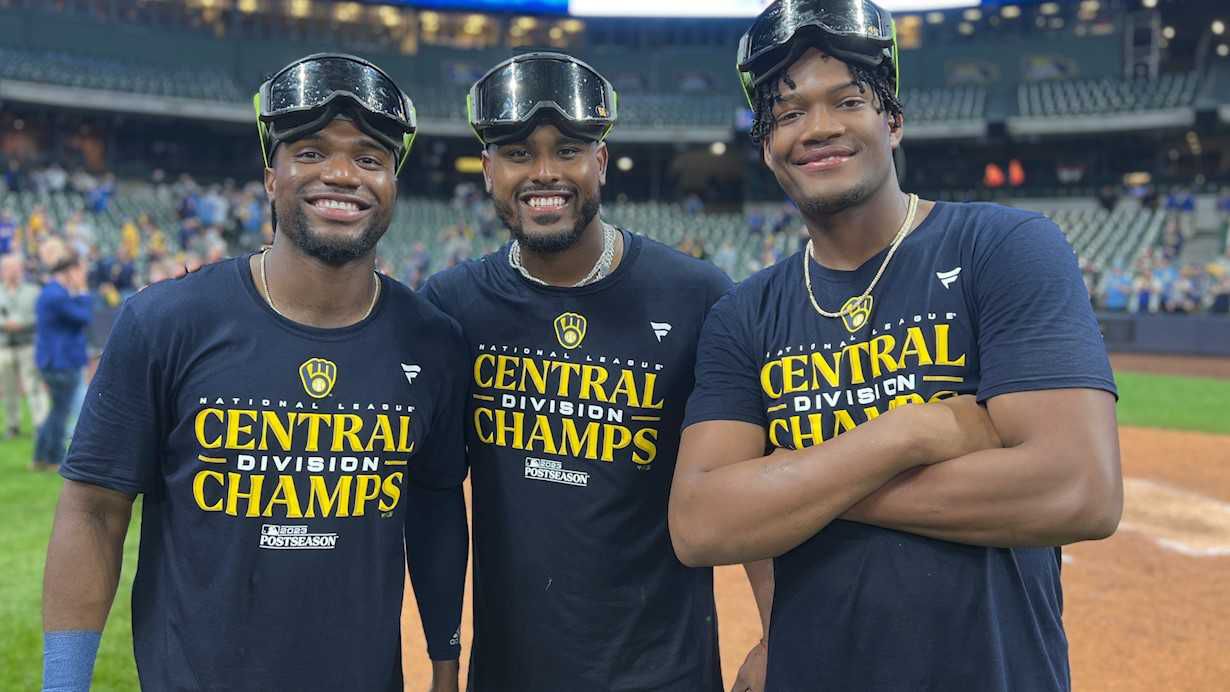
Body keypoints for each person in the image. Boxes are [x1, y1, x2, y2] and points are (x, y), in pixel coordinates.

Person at [669, 2, 1123, 691]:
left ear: (894, 119)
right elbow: (701, 524)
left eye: (847, 100)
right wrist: (909, 433)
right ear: (766, 146)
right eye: (788, 114)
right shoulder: (746, 313)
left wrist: (790, 480)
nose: (817, 128)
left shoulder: (1003, 248)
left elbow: (1078, 489)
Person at [43, 53, 468, 692]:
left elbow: (435, 508)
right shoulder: (165, 322)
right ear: (271, 177)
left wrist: (443, 660)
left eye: (371, 158)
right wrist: (63, 685)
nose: (342, 174)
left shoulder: (432, 340)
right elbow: (93, 512)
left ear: (393, 185)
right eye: (311, 152)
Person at [421, 52, 743, 691]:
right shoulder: (452, 306)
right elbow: (430, 498)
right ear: (488, 170)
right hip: (513, 674)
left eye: (568, 149)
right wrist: (443, 660)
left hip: (665, 673)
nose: (544, 172)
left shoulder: (698, 295)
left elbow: (745, 477)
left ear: (599, 162)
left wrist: (772, 633)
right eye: (517, 152)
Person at [32, 251, 92, 471]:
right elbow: (84, 317)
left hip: (53, 360)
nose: (83, 276)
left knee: (56, 410)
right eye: (81, 271)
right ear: (71, 271)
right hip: (62, 361)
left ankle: (40, 456)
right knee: (61, 412)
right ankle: (55, 458)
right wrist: (83, 292)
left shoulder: (51, 292)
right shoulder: (58, 295)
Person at [0, 253, 47, 437]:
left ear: (21, 269)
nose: (12, 271)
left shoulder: (33, 291)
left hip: (28, 344)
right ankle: (12, 426)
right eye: (8, 268)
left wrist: (22, 322)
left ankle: (41, 424)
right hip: (4, 346)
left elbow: (41, 316)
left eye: (15, 267)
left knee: (33, 386)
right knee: (8, 389)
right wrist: (5, 324)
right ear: (3, 271)